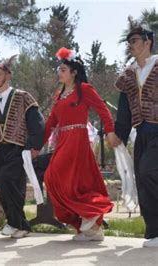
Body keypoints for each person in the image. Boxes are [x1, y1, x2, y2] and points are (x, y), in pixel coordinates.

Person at [43, 47, 117, 241]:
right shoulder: (59, 96)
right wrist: (35, 145)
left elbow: (103, 110)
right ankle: (89, 227)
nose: (59, 73)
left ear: (74, 72)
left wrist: (109, 131)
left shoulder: (84, 89)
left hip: (78, 139)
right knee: (58, 179)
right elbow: (51, 123)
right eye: (59, 70)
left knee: (59, 176)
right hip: (63, 141)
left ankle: (90, 216)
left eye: (63, 70)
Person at [0, 58, 45, 238]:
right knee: (2, 185)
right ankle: (15, 223)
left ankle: (20, 224)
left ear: (8, 75)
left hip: (18, 148)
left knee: (10, 181)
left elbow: (37, 122)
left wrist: (34, 145)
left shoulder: (23, 97)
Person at [113, 24, 158, 248]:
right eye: (128, 42)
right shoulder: (128, 76)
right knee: (142, 178)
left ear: (147, 42)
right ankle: (154, 232)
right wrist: (118, 133)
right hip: (142, 133)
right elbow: (124, 110)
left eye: (134, 40)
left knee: (149, 170)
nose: (130, 45)